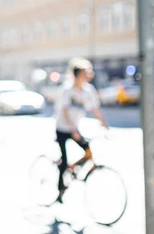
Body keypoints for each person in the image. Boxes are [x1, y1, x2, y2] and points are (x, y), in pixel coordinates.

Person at [53, 57, 109, 202]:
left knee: (88, 151)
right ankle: (60, 189)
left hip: (75, 129)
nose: (87, 76)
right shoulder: (67, 90)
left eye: (88, 74)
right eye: (84, 73)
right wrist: (72, 130)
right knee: (64, 160)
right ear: (76, 75)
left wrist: (104, 123)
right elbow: (64, 111)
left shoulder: (88, 90)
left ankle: (74, 168)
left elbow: (95, 108)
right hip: (63, 128)